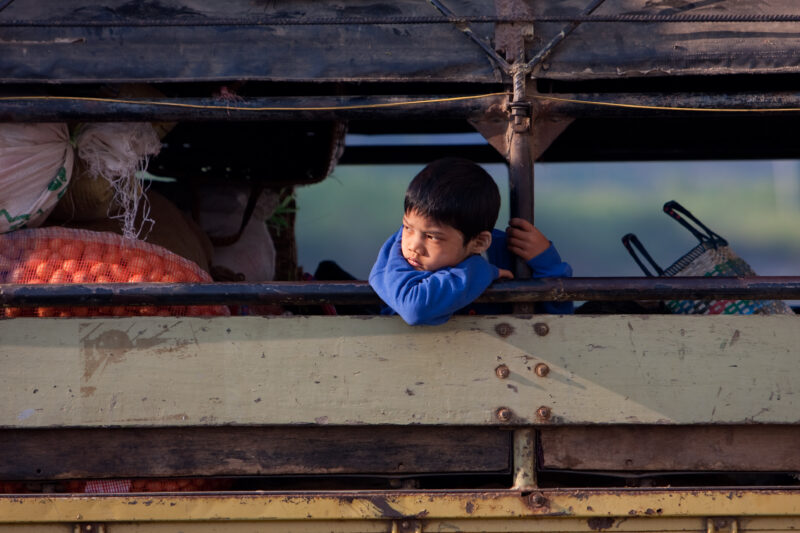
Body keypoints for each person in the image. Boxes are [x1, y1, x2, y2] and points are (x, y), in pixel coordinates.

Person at [369, 157, 573, 325]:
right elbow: (415, 308)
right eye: (407, 227)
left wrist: (546, 261)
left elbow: (559, 321)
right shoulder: (397, 253)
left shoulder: (505, 251)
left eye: (432, 237)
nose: (414, 245)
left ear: (479, 243)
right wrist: (482, 270)